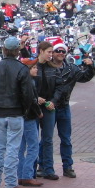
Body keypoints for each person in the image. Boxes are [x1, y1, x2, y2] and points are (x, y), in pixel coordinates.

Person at [0, 36, 36, 188]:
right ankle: (11, 183)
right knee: (13, 148)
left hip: (0, 111)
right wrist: (25, 109)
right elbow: (28, 94)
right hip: (15, 112)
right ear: (17, 51)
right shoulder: (21, 69)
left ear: (4, 50)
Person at [42, 41, 95, 178]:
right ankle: (43, 166)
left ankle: (68, 166)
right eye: (57, 51)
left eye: (63, 51)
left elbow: (85, 77)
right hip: (50, 107)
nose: (60, 53)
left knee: (65, 138)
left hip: (64, 106)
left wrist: (90, 67)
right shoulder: (46, 68)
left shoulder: (71, 68)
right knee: (46, 139)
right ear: (52, 53)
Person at [36, 41, 63, 180]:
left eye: (52, 52)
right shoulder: (33, 67)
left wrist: (53, 101)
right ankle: (32, 168)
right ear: (41, 51)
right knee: (33, 139)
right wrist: (36, 98)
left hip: (49, 106)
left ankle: (48, 169)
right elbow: (26, 86)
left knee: (48, 139)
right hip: (34, 106)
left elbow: (59, 87)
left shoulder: (53, 68)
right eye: (49, 52)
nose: (51, 55)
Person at [17, 61, 44, 187]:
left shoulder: (19, 81)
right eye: (33, 68)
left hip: (20, 116)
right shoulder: (30, 82)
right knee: (33, 146)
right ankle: (27, 175)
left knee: (21, 147)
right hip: (29, 117)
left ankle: (20, 174)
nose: (36, 70)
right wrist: (38, 112)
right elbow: (32, 100)